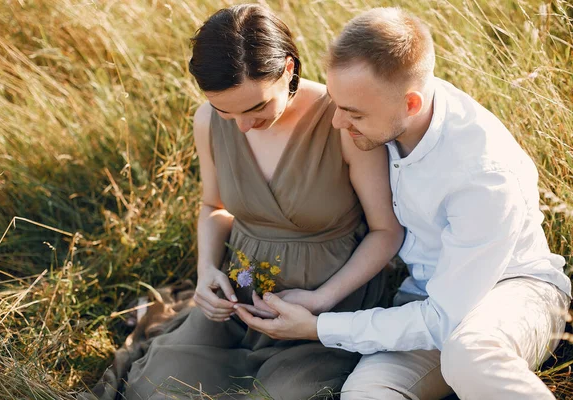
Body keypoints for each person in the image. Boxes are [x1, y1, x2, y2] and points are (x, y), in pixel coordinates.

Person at [235, 7, 572, 400]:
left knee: (470, 354)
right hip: (422, 297)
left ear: (411, 105)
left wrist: (317, 327)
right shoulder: (387, 108)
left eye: (353, 113)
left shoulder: (483, 173)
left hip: (513, 292)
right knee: (365, 395)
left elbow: (445, 320)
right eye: (336, 103)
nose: (337, 124)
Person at [123, 4, 404, 399]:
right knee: (164, 385)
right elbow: (214, 207)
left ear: (288, 69)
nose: (242, 125)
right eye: (225, 110)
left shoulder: (341, 121)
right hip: (238, 302)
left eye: (257, 107)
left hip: (326, 309)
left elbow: (386, 232)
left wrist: (319, 301)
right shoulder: (207, 121)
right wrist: (206, 271)